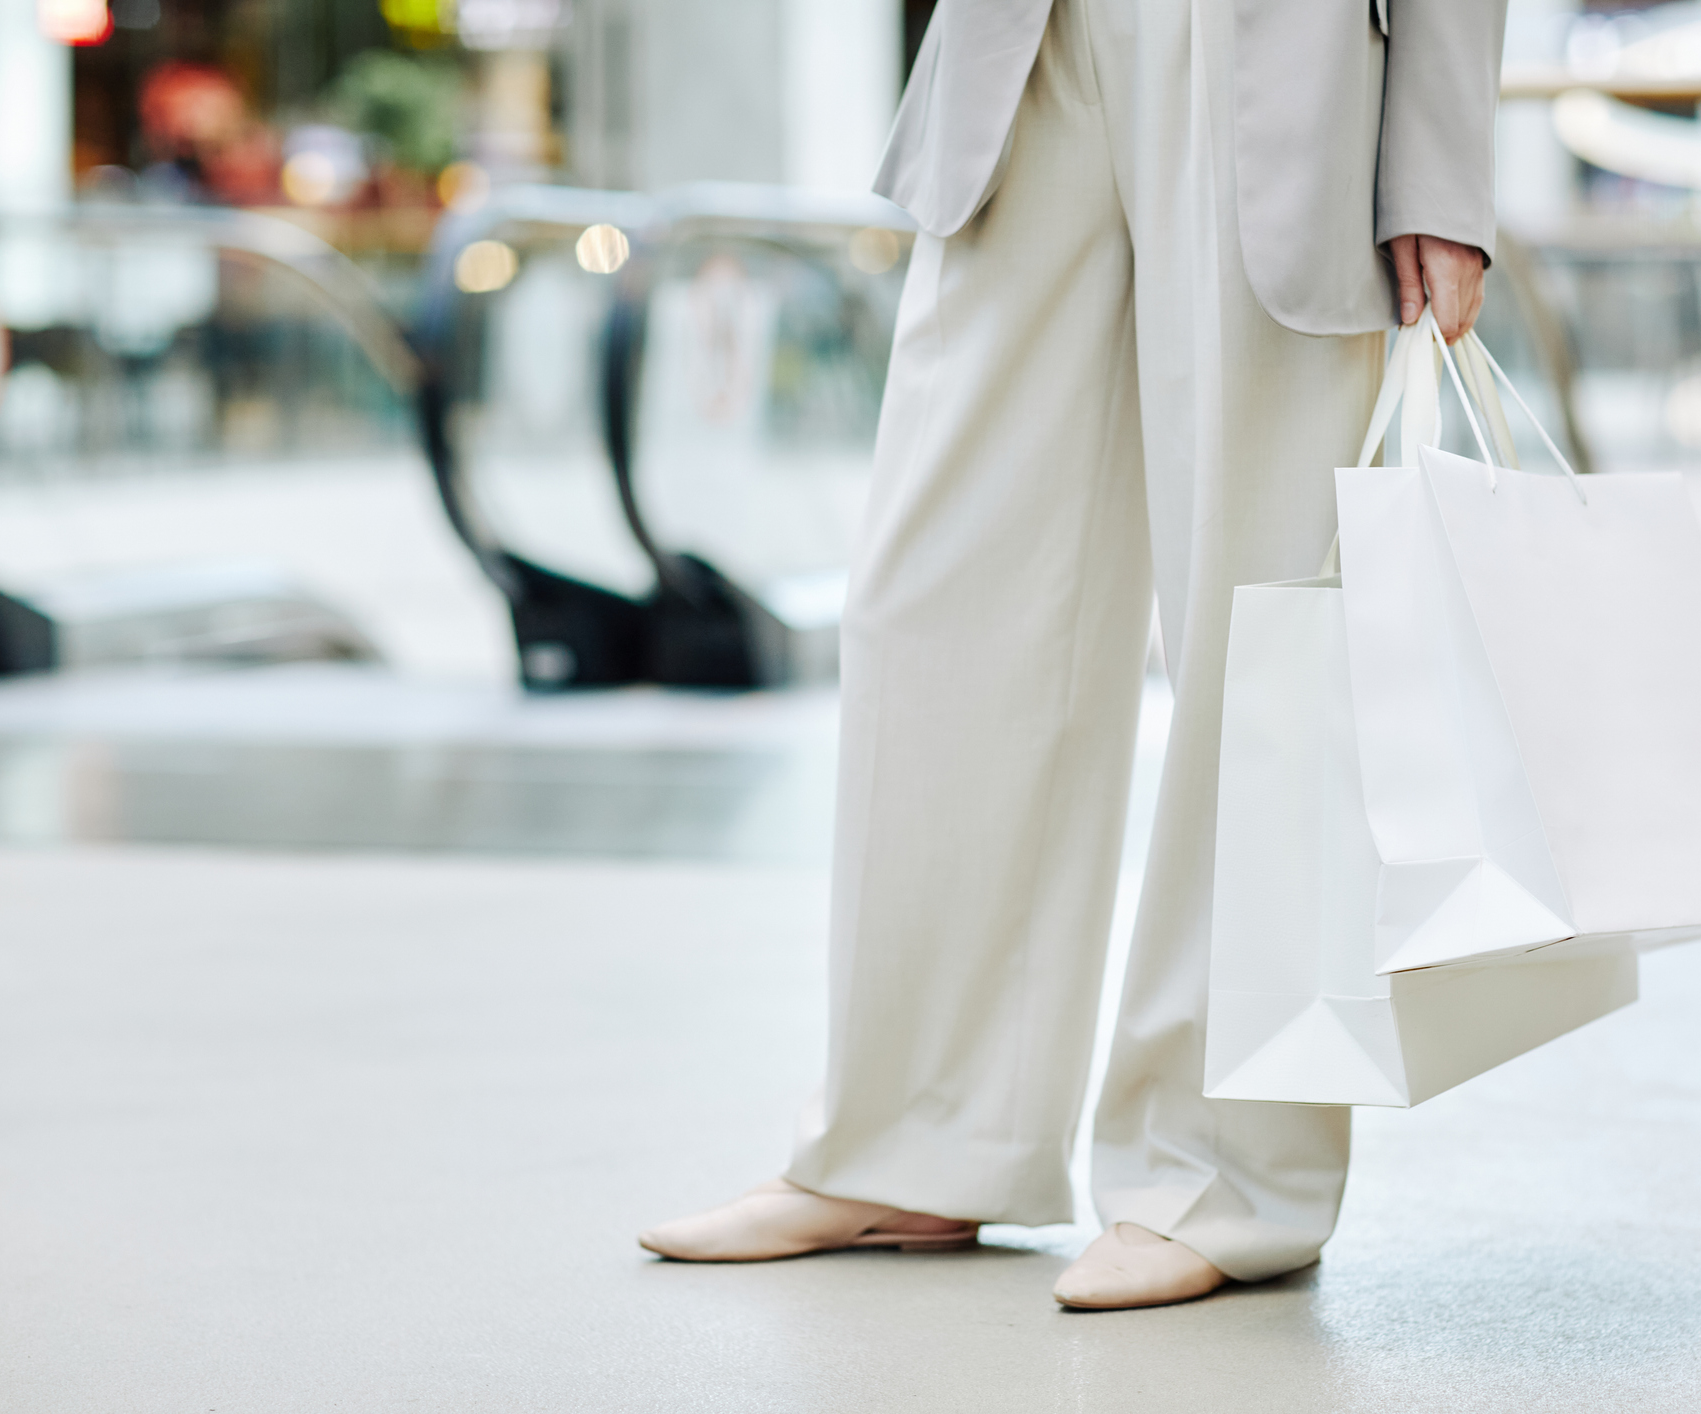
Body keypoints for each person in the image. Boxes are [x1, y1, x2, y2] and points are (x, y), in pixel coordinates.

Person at [639, 0, 1508, 1311]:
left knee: (1257, 626)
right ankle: (916, 1133)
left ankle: (1222, 1167)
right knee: (934, 595)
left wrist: (1436, 159)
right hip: (1024, 40)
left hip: (1282, 46)